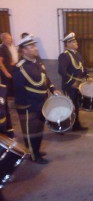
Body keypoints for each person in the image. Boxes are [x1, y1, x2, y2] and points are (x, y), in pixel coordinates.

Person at [12, 35, 61, 164]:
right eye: (31, 46)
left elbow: (46, 79)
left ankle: (36, 151)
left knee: (39, 131)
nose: (35, 48)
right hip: (28, 106)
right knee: (31, 133)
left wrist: (52, 89)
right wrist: (26, 107)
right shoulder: (19, 68)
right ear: (24, 51)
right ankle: (34, 156)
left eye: (34, 45)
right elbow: (18, 90)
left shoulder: (38, 63)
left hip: (41, 103)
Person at [58, 32, 92, 131]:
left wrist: (87, 76)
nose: (76, 42)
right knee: (69, 106)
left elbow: (82, 68)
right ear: (68, 44)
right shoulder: (64, 55)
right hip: (70, 85)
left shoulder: (78, 55)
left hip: (78, 84)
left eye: (75, 41)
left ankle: (76, 125)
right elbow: (61, 71)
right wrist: (71, 82)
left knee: (75, 106)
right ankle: (61, 126)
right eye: (73, 41)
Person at [0, 32, 18, 97]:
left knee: (12, 88)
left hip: (12, 70)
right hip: (7, 72)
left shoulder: (10, 46)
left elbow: (10, 58)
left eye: (11, 38)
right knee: (7, 89)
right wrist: (6, 73)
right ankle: (6, 105)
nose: (11, 40)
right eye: (9, 38)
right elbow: (0, 62)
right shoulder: (2, 48)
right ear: (4, 39)